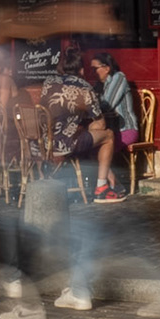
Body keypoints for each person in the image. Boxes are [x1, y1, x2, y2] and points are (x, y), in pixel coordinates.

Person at [39, 48, 125, 204]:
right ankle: (101, 187)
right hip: (66, 144)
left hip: (43, 143)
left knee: (86, 133)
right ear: (81, 69)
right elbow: (101, 123)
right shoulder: (84, 87)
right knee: (108, 136)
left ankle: (108, 178)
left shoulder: (48, 83)